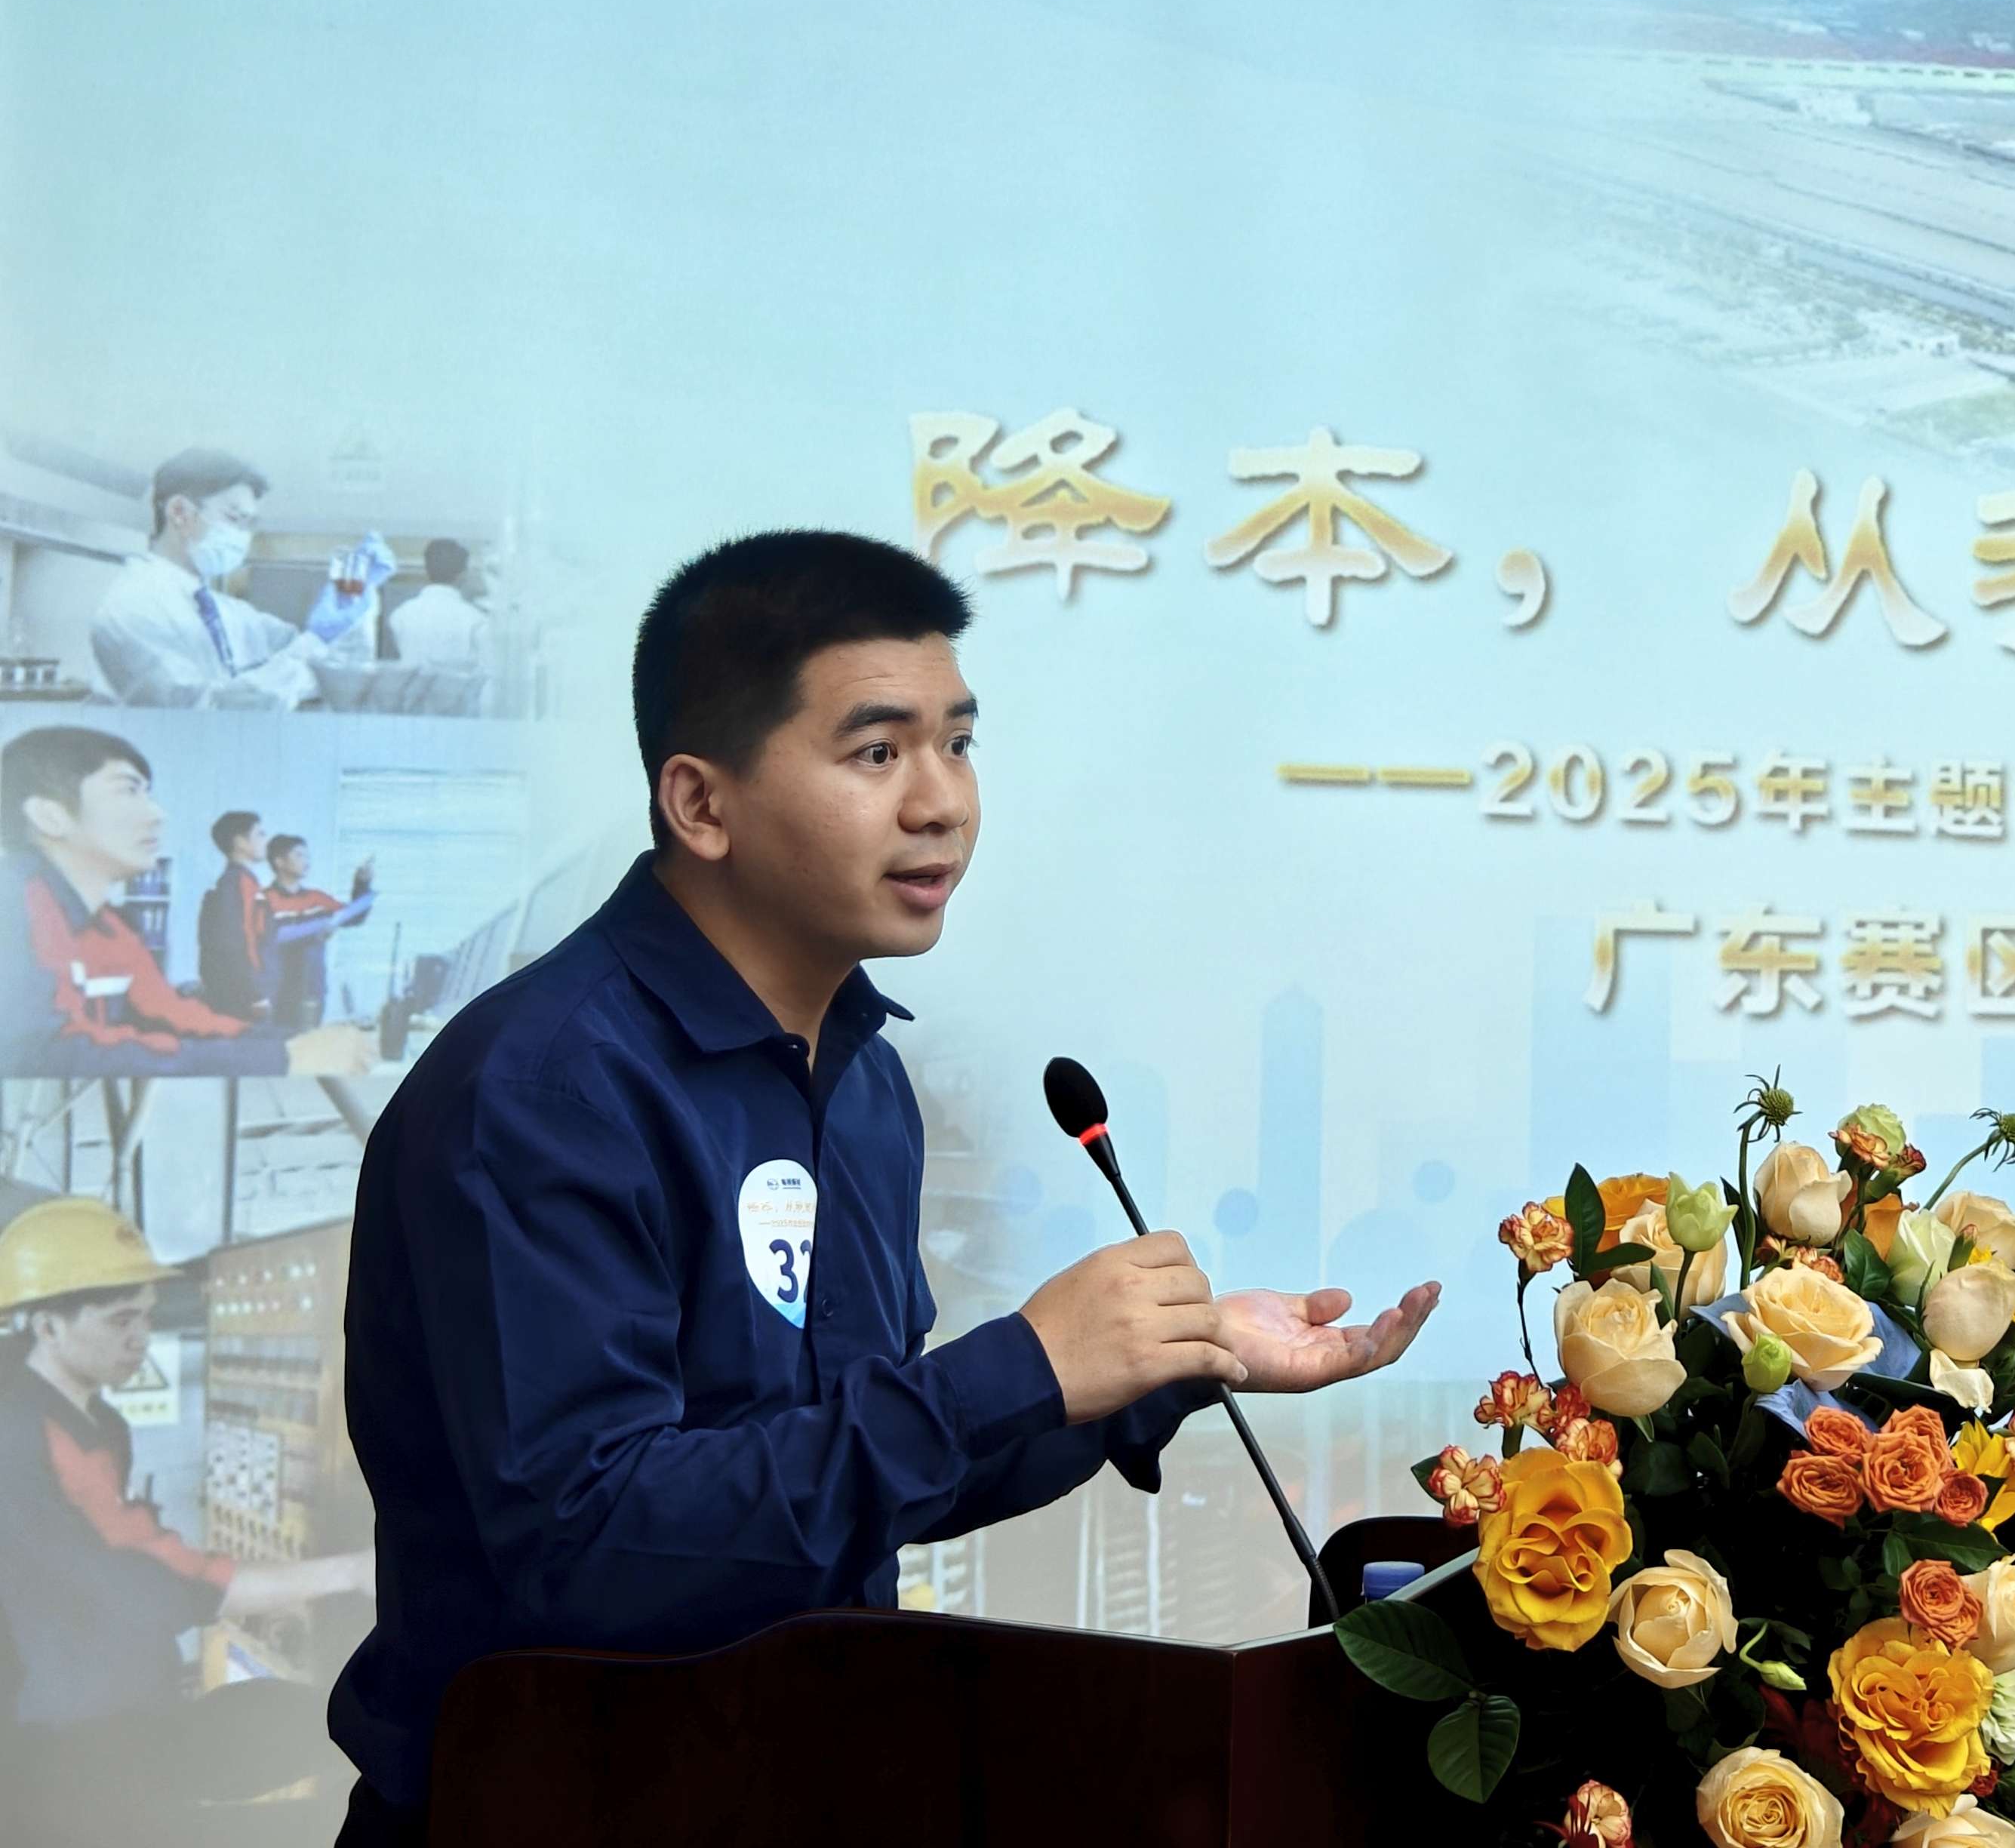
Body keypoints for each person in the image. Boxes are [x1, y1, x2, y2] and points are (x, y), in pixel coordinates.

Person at [328, 532, 1441, 1841]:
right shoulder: (546, 1090)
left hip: (806, 1789)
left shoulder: (860, 1080)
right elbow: (595, 1546)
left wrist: (1161, 1366)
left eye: (957, 743)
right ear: (701, 804)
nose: (942, 803)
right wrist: (1016, 1367)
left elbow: (860, 1478)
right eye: (876, 752)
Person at [0, 1198, 372, 1844]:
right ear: (47, 1325)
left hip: (115, 1714)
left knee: (319, 1729)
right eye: (121, 1320)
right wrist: (352, 1571)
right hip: (71, 1747)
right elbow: (159, 1580)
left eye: (146, 1316)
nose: (140, 1337)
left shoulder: (92, 1422)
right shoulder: (29, 1434)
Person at [2, 727, 377, 1089]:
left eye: (148, 794)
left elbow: (167, 1012)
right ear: (50, 816)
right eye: (128, 791)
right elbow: (39, 1054)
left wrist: (292, 1044)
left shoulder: (112, 926)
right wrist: (280, 1055)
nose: (157, 814)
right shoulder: (13, 905)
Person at [89, 450, 391, 709]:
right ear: (180, 512)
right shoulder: (132, 609)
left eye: (248, 525)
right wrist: (316, 640)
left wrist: (358, 600)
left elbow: (333, 672)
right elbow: (209, 714)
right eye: (234, 519)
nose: (242, 537)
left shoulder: (229, 614)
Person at [259, 837, 377, 1034]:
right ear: (279, 862)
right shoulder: (265, 900)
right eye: (299, 855)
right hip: (278, 990)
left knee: (309, 1043)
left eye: (307, 856)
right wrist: (315, 935)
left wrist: (362, 883)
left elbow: (353, 917)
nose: (307, 861)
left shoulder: (316, 899)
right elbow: (269, 939)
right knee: (279, 1044)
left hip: (312, 987)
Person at [195, 810, 272, 1022]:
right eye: (260, 834)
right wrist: (255, 994)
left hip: (245, 991)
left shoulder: (245, 882)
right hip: (242, 998)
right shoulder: (237, 884)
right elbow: (235, 942)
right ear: (240, 842)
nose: (265, 840)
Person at [385, 542, 488, 673]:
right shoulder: (476, 620)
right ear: (463, 574)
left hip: (412, 686)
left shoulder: (400, 615)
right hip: (457, 686)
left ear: (426, 571)